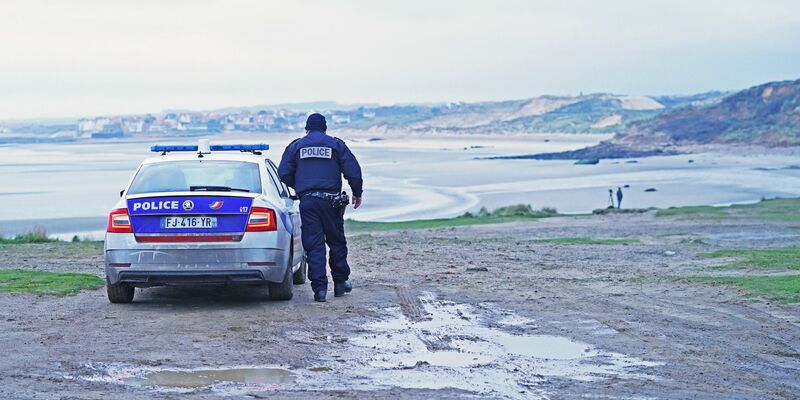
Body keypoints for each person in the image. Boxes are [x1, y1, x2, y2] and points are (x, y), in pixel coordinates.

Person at [278, 113, 363, 302]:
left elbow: (283, 173)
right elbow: (353, 170)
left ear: (306, 129)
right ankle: (340, 283)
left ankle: (320, 290)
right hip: (331, 202)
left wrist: (301, 186)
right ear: (325, 128)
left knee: (314, 245)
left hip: (308, 202)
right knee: (336, 241)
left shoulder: (296, 146)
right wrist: (357, 192)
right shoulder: (336, 144)